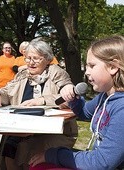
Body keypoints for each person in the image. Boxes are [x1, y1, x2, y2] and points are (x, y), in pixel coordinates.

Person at [29, 35, 124, 170]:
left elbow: (101, 163)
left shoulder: (122, 108)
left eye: (92, 66)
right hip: (97, 161)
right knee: (39, 165)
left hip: (100, 164)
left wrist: (54, 155)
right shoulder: (105, 97)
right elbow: (85, 113)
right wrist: (73, 98)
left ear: (113, 67)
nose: (87, 72)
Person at [0, 39, 78, 170]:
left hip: (51, 131)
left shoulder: (56, 72)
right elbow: (7, 90)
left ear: (47, 59)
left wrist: (42, 100)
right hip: (21, 128)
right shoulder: (23, 74)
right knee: (9, 147)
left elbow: (69, 97)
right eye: (27, 58)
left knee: (25, 150)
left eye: (35, 58)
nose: (30, 62)